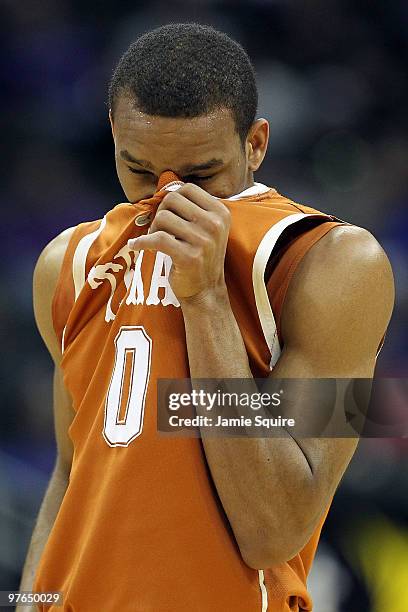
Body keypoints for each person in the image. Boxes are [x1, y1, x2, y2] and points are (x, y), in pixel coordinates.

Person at [19, 23, 394, 611]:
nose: (165, 198)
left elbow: (275, 529)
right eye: (140, 169)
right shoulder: (66, 263)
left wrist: (206, 299)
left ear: (256, 144)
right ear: (114, 137)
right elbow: (71, 474)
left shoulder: (334, 263)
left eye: (200, 176)